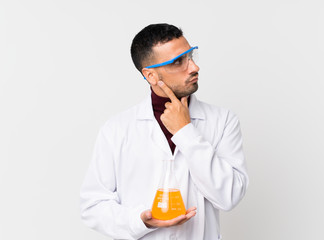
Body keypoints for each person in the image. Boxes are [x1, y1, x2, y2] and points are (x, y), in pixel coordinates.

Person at [80, 23, 249, 240]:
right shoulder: (117, 129)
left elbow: (229, 196)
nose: (194, 67)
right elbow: (93, 205)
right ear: (151, 76)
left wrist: (185, 131)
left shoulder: (222, 121)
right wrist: (139, 221)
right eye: (178, 62)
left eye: (190, 56)